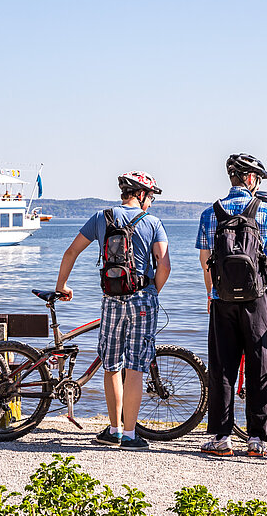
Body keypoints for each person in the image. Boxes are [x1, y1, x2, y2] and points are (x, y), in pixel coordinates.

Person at [55, 171, 170, 451]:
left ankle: (114, 430)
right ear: (141, 194)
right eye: (151, 196)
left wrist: (62, 285)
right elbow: (164, 266)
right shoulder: (153, 223)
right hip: (142, 298)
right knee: (135, 367)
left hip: (111, 298)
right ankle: (130, 436)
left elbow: (71, 252)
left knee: (112, 365)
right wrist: (151, 291)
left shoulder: (101, 218)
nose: (151, 202)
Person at [196, 153, 267, 458]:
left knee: (222, 367)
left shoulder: (211, 213)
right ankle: (257, 440)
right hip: (259, 299)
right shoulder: (265, 211)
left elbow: (204, 261)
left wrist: (212, 295)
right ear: (250, 179)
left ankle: (221, 438)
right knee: (259, 366)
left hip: (222, 300)